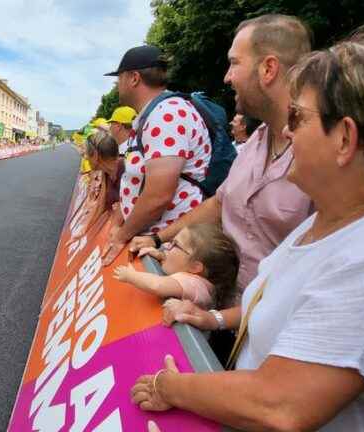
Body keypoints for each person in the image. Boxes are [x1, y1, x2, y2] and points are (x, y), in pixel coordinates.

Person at [131, 27, 364, 432]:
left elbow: (280, 404)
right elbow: (278, 302)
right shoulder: (322, 223)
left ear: (345, 138)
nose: (288, 131)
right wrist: (216, 320)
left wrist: (171, 387)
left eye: (298, 117)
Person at [129, 15, 314, 296]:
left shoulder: (322, 154)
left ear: (269, 69)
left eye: (235, 63)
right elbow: (219, 203)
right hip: (224, 306)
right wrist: (157, 239)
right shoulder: (257, 140)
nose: (227, 76)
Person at [102, 45, 213, 266]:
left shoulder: (166, 115)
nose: (117, 85)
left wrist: (122, 235)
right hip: (155, 243)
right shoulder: (155, 113)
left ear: (134, 78)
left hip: (167, 248)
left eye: (119, 78)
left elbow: (158, 195)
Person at [113, 223, 238, 310]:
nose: (166, 246)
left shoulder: (193, 284)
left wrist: (131, 276)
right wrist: (161, 256)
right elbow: (177, 267)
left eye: (175, 245)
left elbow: (157, 286)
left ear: (195, 267)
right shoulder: (194, 274)